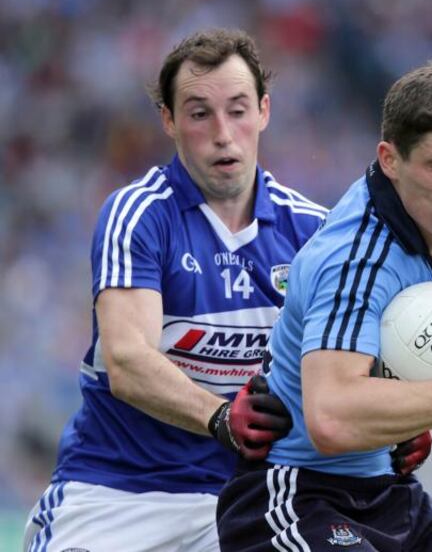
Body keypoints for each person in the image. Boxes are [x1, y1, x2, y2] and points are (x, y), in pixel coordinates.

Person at [21, 28, 329, 552]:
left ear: (265, 112)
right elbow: (128, 360)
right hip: (116, 495)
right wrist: (219, 417)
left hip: (251, 499)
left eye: (237, 110)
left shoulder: (314, 232)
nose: (223, 134)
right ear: (168, 120)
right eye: (198, 113)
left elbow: (342, 368)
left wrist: (397, 427)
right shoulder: (137, 215)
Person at [215, 63, 432, 552]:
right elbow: (332, 419)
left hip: (390, 491)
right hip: (298, 494)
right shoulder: (356, 257)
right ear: (390, 160)